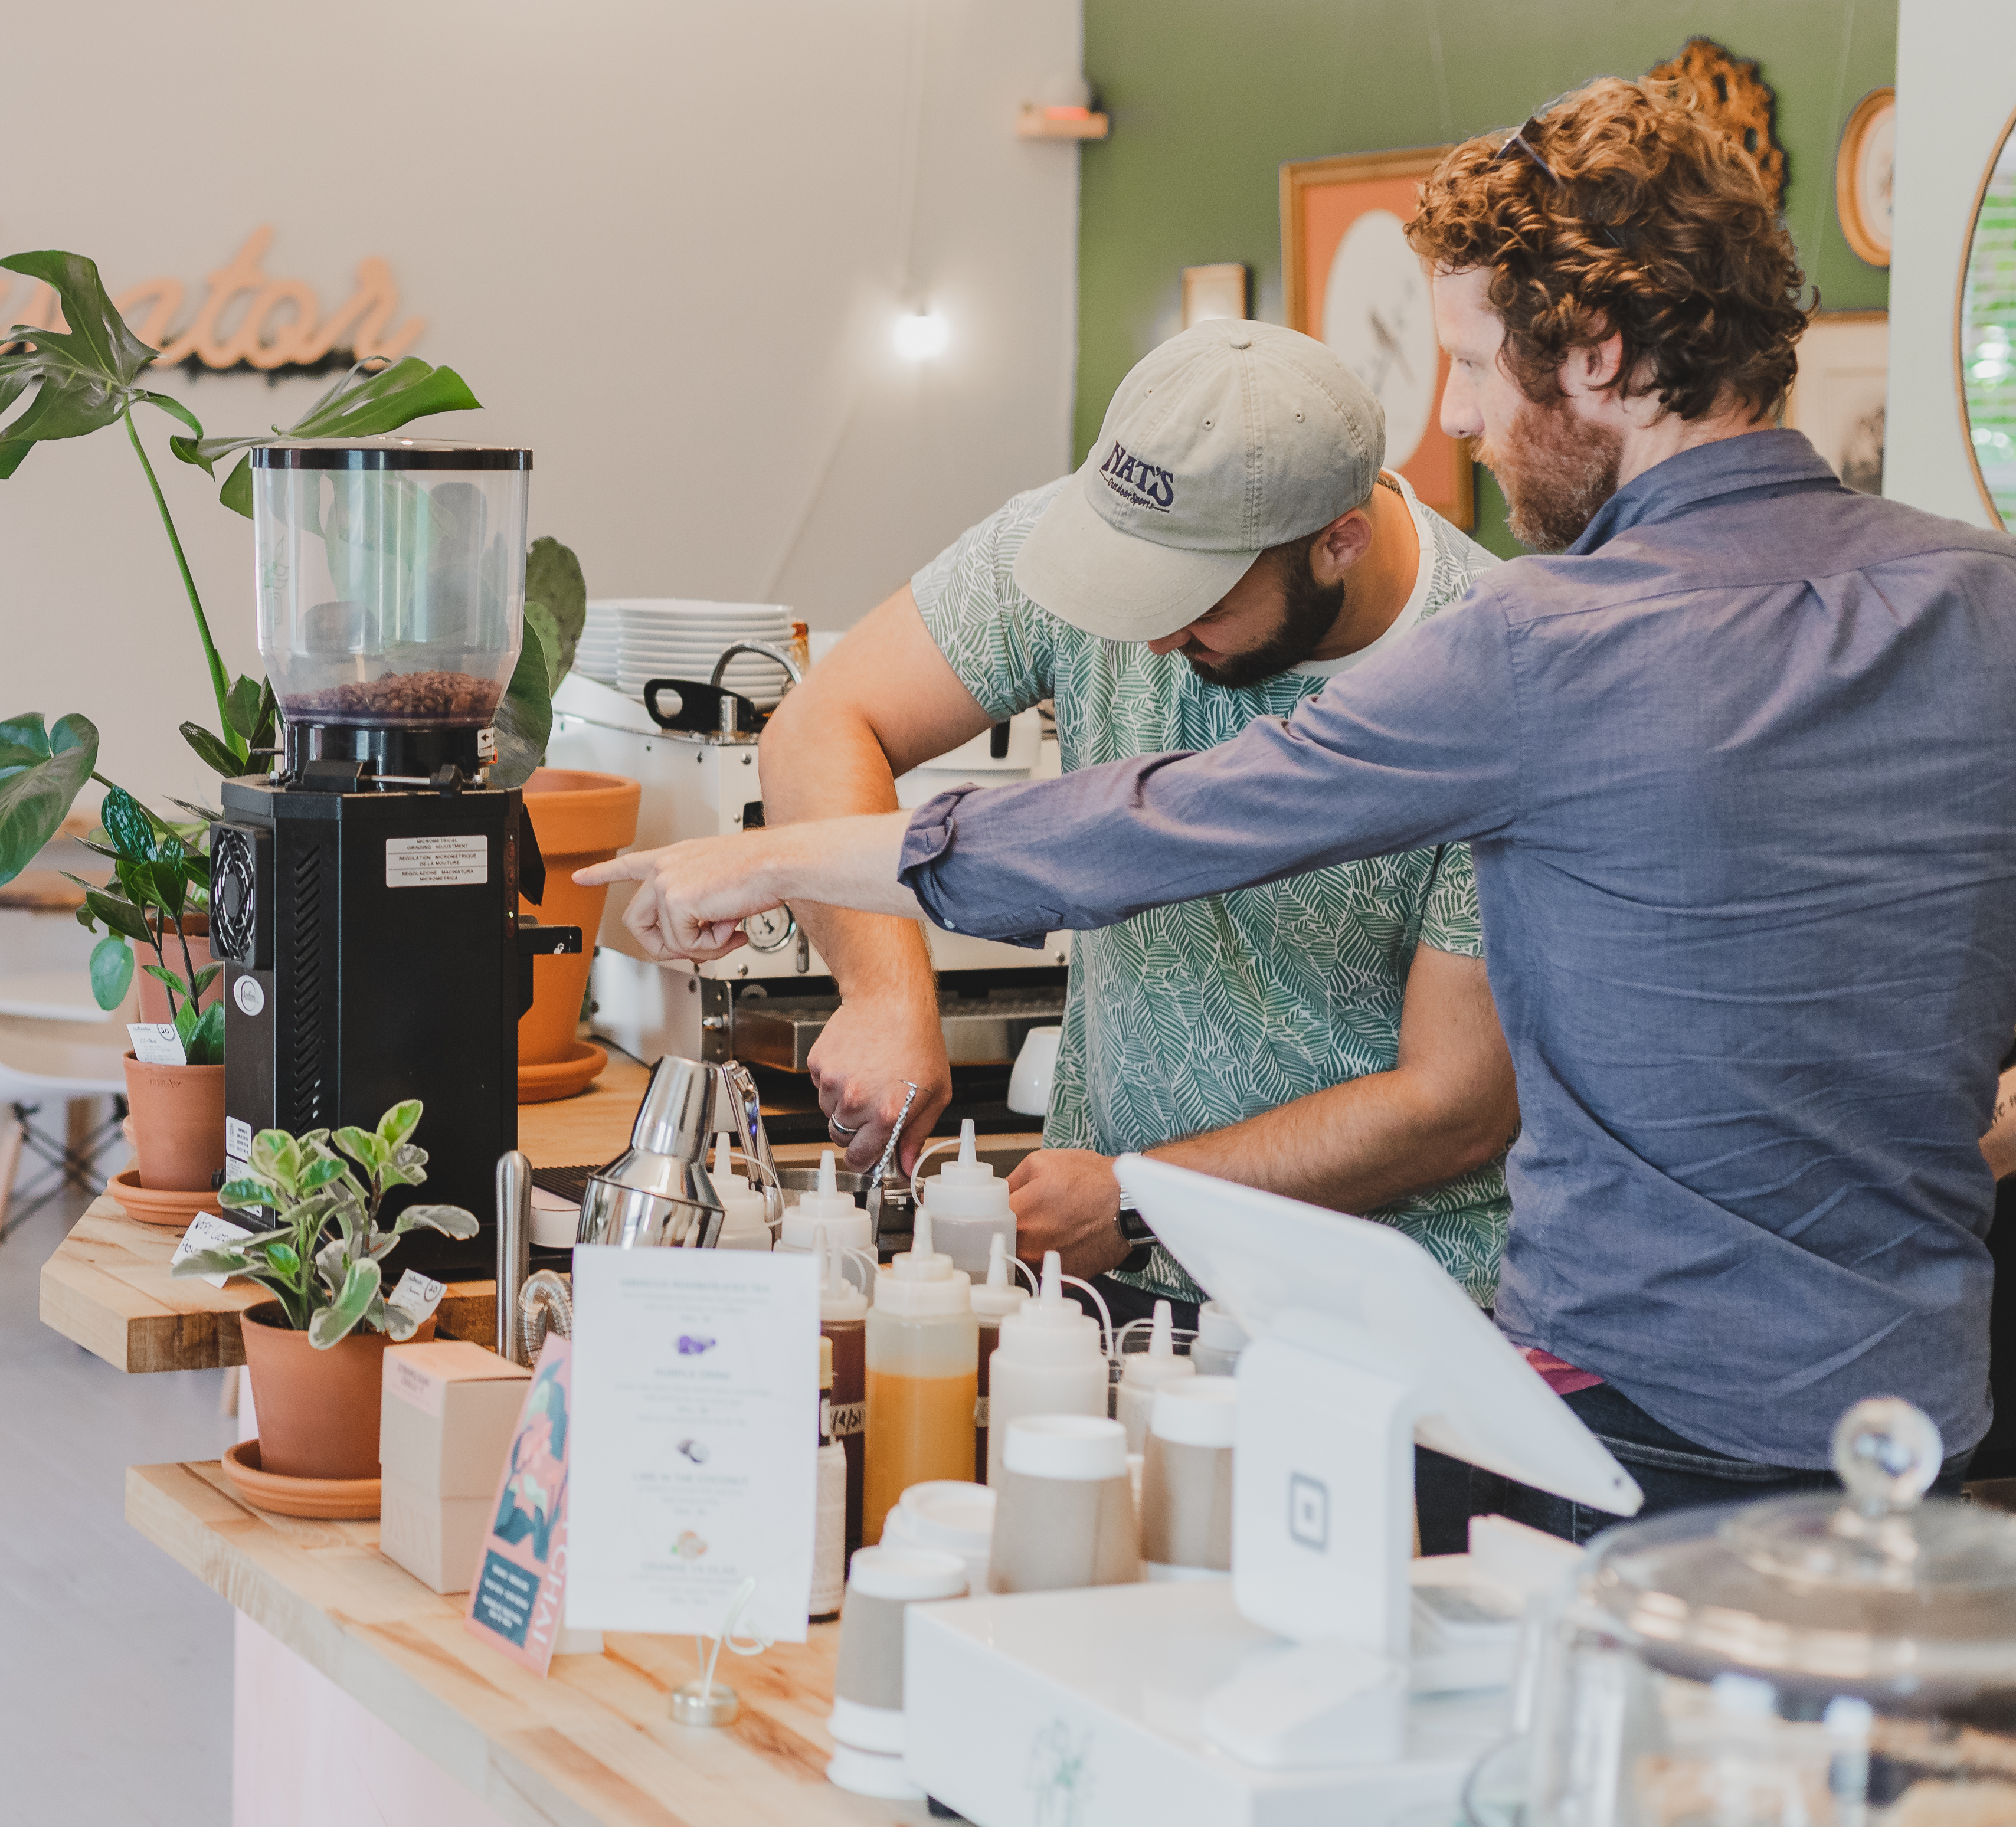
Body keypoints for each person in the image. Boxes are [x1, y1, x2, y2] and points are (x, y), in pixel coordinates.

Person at [581, 75, 2016, 1530]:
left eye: (1473, 365)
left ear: (1593, 355)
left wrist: (771, 864)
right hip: (1914, 1433)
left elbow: (1171, 820)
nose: (1456, 416)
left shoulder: (1544, 645)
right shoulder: (1982, 605)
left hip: (1617, 1440)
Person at [761, 318, 1518, 1337]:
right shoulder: (1104, 536)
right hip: (1102, 1281)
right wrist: (885, 990)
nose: (1151, 635)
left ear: (1340, 539)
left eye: (1194, 599)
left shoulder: (1499, 673)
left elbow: (1457, 1102)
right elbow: (820, 723)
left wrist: (1139, 1194)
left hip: (1380, 1313)